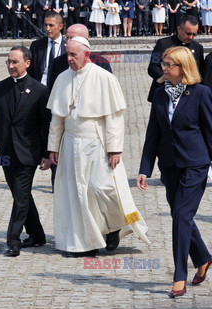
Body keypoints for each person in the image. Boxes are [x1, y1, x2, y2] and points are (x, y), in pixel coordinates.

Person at [47, 36, 150, 257]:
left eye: (73, 55)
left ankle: (114, 227)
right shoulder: (62, 78)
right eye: (67, 54)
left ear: (86, 54)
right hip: (70, 144)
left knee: (102, 189)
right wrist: (52, 147)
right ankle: (86, 243)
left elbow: (114, 118)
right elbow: (57, 119)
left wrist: (115, 149)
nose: (69, 59)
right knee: (76, 195)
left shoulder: (104, 78)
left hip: (97, 144)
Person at [137, 46, 212, 298]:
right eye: (164, 64)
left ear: (183, 67)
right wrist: (144, 169)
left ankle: (179, 274)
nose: (164, 69)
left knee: (181, 214)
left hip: (195, 163)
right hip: (169, 165)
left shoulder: (201, 93)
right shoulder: (159, 94)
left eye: (169, 65)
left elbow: (210, 133)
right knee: (180, 215)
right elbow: (152, 134)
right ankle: (203, 258)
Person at [0, 46, 51, 257]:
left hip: (28, 153)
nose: (11, 66)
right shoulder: (0, 88)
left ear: (27, 63)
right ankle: (38, 235)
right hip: (5, 152)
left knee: (21, 196)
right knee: (21, 195)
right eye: (8, 62)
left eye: (15, 62)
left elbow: (45, 126)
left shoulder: (40, 90)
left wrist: (45, 153)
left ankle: (13, 240)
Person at [28, 12, 65, 192]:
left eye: (51, 25)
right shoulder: (37, 46)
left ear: (60, 26)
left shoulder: (68, 46)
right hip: (39, 95)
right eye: (46, 25)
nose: (47, 29)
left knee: (57, 135)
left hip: (59, 96)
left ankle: (56, 180)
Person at [147, 15, 204, 102]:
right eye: (188, 33)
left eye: (194, 34)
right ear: (179, 29)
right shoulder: (162, 44)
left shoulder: (198, 48)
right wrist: (171, 81)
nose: (191, 37)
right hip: (164, 93)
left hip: (187, 96)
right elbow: (153, 68)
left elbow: (199, 72)